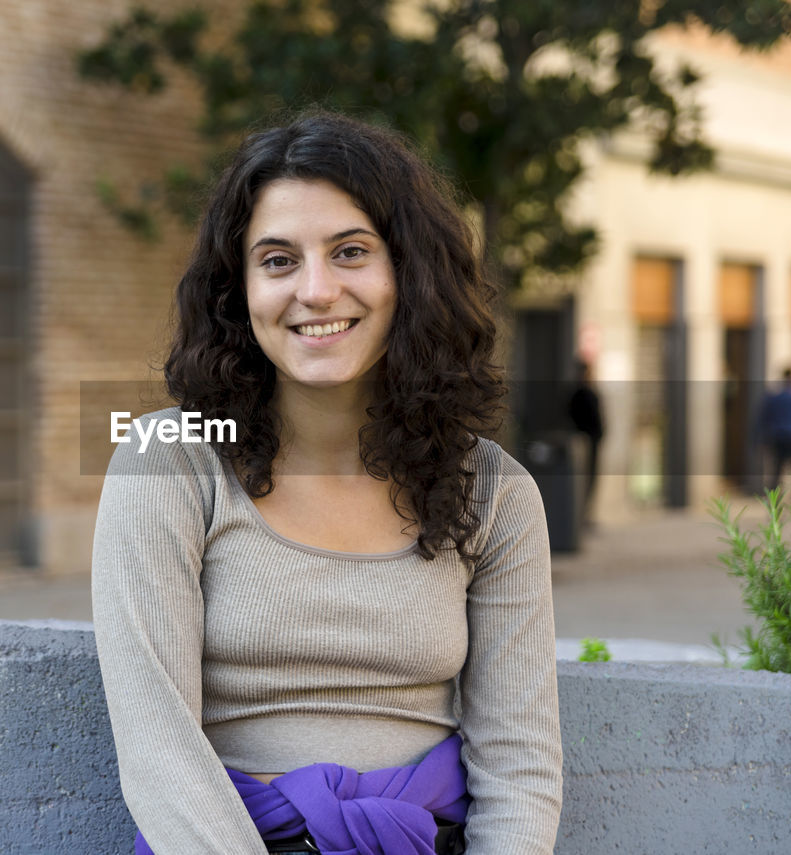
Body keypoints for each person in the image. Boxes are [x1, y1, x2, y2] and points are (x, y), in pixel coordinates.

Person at [92, 112, 562, 855]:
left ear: (410, 270)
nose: (316, 290)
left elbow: (519, 766)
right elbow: (158, 752)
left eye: (350, 252)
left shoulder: (493, 492)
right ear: (237, 290)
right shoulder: (172, 462)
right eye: (278, 260)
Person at [756, 367, 791, 491]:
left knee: (777, 470)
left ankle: (774, 499)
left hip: (778, 437)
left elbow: (764, 417)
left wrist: (763, 437)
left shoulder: (774, 395)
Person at [567, 360, 604, 525]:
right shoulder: (580, 393)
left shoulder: (588, 391)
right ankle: (582, 517)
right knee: (585, 480)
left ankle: (586, 516)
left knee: (591, 480)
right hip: (586, 442)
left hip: (593, 442)